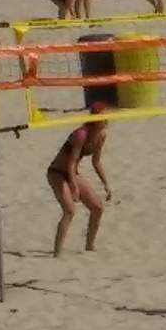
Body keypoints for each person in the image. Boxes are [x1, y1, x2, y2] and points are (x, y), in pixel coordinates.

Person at [47, 105, 111, 256]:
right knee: (69, 210)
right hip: (57, 172)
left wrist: (106, 184)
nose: (106, 120)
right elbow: (70, 162)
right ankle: (57, 253)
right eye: (102, 117)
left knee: (97, 207)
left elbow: (96, 162)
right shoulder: (81, 134)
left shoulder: (101, 135)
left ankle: (89, 246)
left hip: (72, 172)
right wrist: (74, 187)